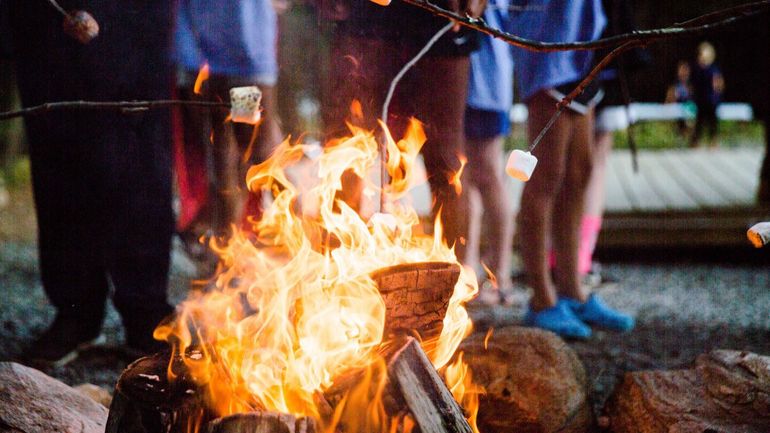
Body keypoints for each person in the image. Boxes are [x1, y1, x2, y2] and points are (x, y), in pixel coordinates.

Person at [7, 0, 175, 365]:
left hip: (130, 17)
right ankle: (76, 309)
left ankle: (146, 313)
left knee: (137, 149)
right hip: (44, 23)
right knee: (57, 148)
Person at [316, 0, 486, 260]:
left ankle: (455, 283)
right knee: (347, 143)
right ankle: (332, 276)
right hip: (367, 15)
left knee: (447, 157)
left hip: (443, 18)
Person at [510, 0, 633, 339]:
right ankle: (541, 298)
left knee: (580, 171)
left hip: (583, 42)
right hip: (549, 39)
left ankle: (572, 290)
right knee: (546, 173)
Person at [174, 0, 284, 264]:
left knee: (254, 150)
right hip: (214, 60)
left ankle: (293, 230)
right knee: (224, 151)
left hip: (242, 62)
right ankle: (226, 247)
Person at [580, 0, 649, 287]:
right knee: (586, 166)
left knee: (589, 165)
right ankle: (577, 255)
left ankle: (577, 254)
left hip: (603, 56)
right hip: (588, 56)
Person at [463, 0, 515, 303]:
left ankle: (501, 273)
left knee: (488, 173)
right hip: (467, 75)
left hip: (484, 78)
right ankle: (468, 268)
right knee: (464, 175)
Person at [690, 41, 724, 148]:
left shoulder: (713, 69)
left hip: (711, 99)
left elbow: (718, 83)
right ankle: (696, 142)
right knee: (699, 121)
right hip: (701, 99)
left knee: (712, 122)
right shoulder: (697, 69)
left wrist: (717, 94)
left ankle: (713, 141)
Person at [666, 61, 693, 136]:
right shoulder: (673, 87)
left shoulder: (691, 87)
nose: (684, 73)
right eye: (681, 70)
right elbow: (668, 101)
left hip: (688, 112)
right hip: (675, 112)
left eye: (686, 71)